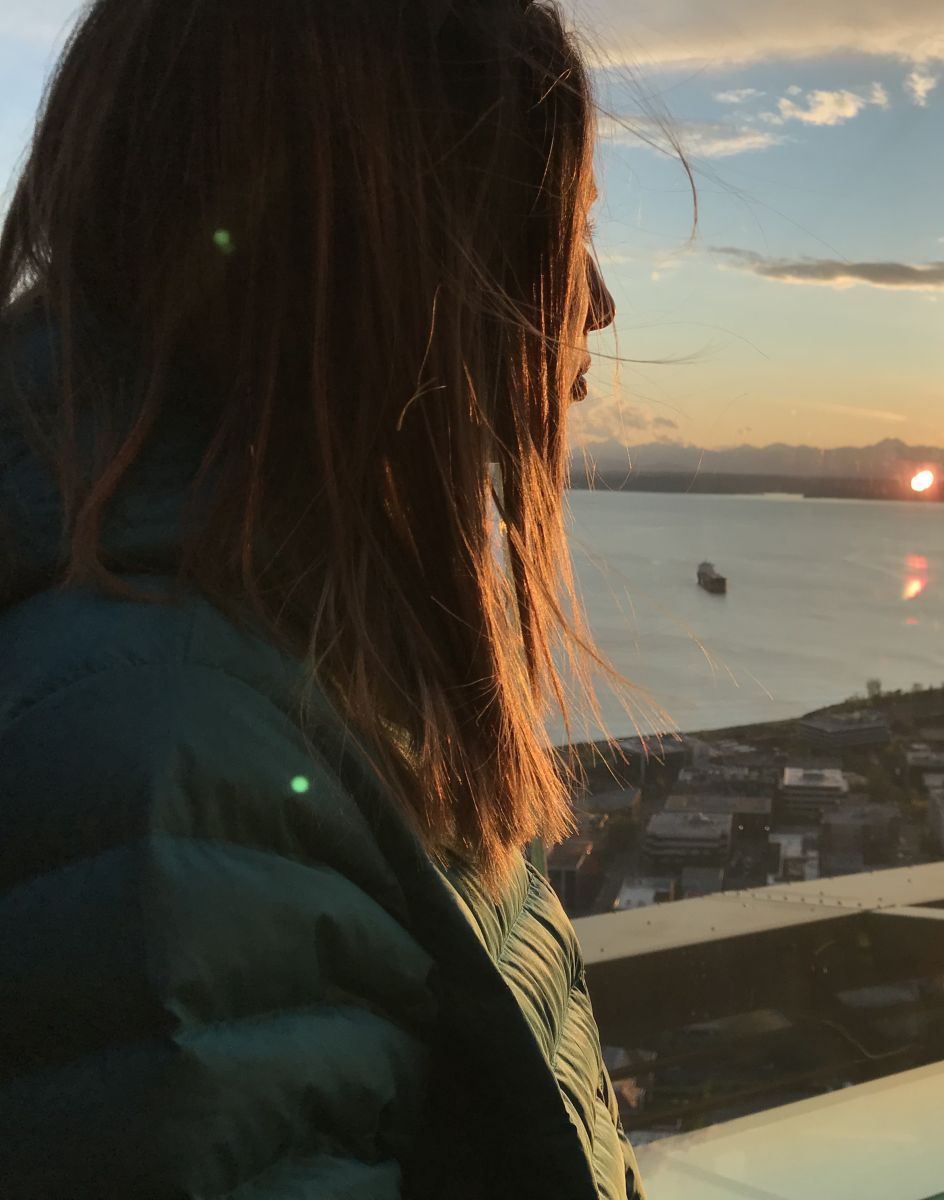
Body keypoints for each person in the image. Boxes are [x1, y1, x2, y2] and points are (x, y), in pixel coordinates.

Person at [0, 2, 641, 1196]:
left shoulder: (288, 657)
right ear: (384, 250)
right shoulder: (169, 753)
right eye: (564, 234)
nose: (592, 302)